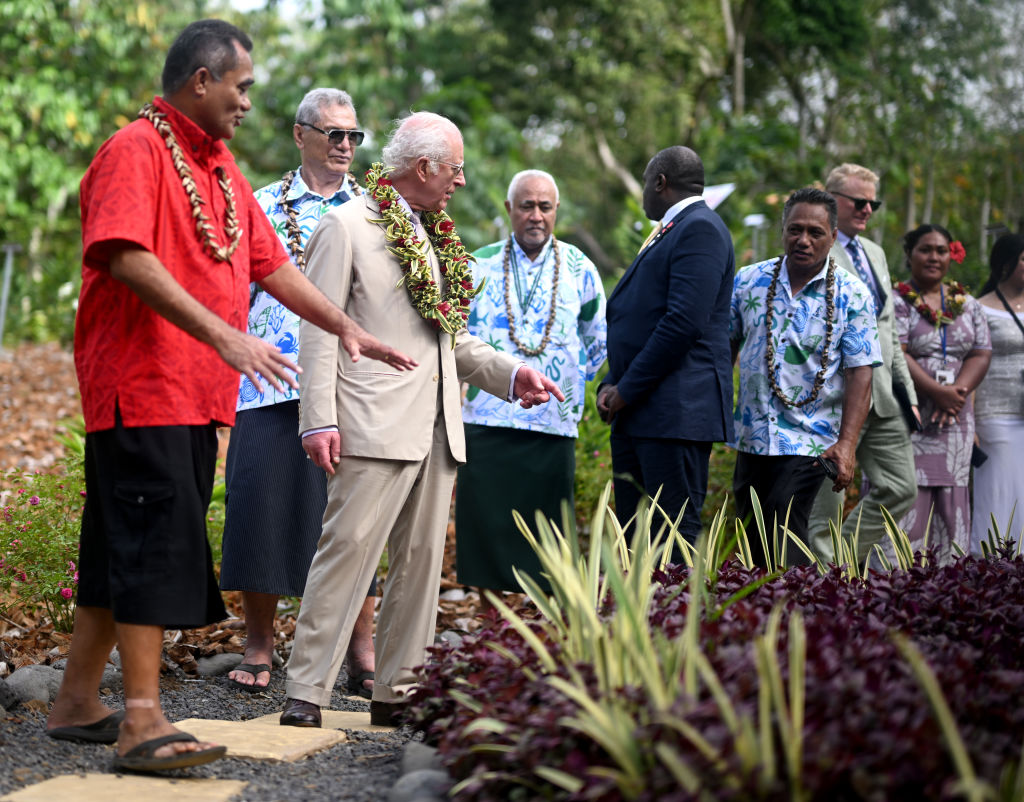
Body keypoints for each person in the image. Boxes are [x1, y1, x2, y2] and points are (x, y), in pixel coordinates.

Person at [45, 20, 413, 773]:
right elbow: (120, 253)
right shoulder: (136, 149)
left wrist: (347, 328)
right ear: (202, 80)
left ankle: (78, 699)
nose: (248, 101)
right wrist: (227, 336)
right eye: (242, 86)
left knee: (118, 544)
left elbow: (271, 266)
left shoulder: (218, 170)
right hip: (139, 385)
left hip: (190, 395)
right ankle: (142, 720)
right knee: (150, 545)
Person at [280, 112, 564, 729]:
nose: (461, 182)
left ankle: (399, 694)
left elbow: (448, 340)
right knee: (347, 553)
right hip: (371, 424)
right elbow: (319, 329)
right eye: (456, 169)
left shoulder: (434, 234)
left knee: (420, 567)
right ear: (426, 166)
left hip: (439, 427)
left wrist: (510, 373)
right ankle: (305, 689)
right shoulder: (346, 225)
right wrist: (316, 419)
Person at [220, 88, 376, 697]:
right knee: (258, 505)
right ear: (300, 135)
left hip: (348, 387)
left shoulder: (377, 211)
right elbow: (231, 299)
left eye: (353, 136)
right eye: (333, 134)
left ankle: (361, 648)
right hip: (268, 383)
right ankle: (259, 642)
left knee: (352, 518)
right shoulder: (258, 206)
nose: (344, 146)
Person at [454, 169, 606, 595]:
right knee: (485, 524)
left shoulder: (580, 267)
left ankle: (540, 628)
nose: (535, 215)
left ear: (556, 211)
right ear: (509, 210)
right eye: (526, 205)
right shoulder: (477, 262)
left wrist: (575, 389)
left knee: (548, 532)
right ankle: (487, 626)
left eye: (544, 206)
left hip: (552, 423)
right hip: (487, 419)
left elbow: (599, 342)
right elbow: (453, 336)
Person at [730, 188, 880, 566]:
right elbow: (723, 348)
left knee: (785, 524)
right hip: (752, 436)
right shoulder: (749, 281)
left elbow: (861, 373)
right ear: (783, 230)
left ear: (832, 237)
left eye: (815, 232)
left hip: (809, 440)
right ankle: (751, 614)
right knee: (750, 530)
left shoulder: (853, 294)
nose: (803, 240)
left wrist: (846, 445)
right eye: (795, 229)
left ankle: (794, 611)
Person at [597, 146, 735, 552]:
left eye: (645, 183)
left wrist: (626, 390)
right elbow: (640, 319)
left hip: (675, 415)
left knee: (670, 542)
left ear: (660, 182)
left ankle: (673, 618)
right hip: (643, 413)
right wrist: (612, 382)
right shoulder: (673, 230)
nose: (643, 193)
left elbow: (682, 324)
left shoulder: (701, 229)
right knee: (634, 542)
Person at [806, 164, 918, 563]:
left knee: (901, 487)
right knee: (824, 510)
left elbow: (888, 328)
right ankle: (822, 592)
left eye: (874, 202)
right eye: (859, 201)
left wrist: (907, 390)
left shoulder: (874, 252)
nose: (868, 209)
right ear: (833, 199)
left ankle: (847, 560)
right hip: (835, 398)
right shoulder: (814, 245)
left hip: (884, 394)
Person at [893, 224, 991, 562]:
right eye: (925, 249)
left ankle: (947, 583)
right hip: (911, 415)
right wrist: (937, 391)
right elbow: (897, 352)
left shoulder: (969, 304)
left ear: (952, 255)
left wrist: (957, 393)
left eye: (941, 250)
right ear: (910, 254)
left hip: (956, 418)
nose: (933, 257)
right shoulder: (896, 301)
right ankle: (897, 580)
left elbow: (981, 352)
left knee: (952, 498)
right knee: (909, 496)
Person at [972, 233, 1024, 552]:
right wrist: (971, 423)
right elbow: (972, 363)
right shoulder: (978, 308)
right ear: (1006, 263)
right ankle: (989, 562)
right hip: (994, 414)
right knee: (999, 490)